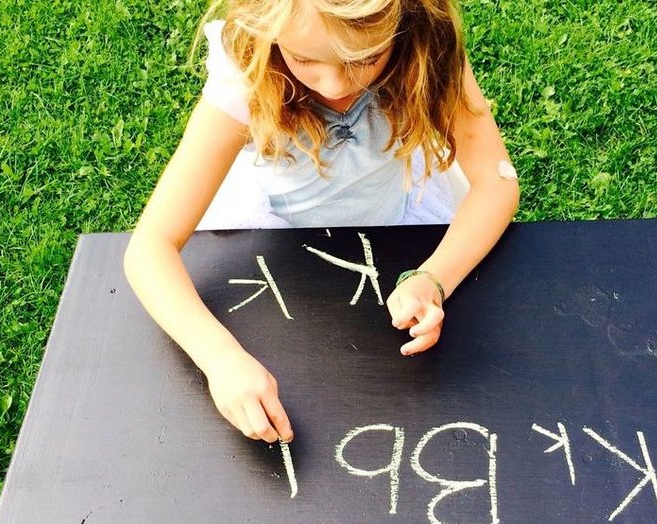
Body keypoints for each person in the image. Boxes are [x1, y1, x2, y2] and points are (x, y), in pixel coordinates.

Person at [124, 0, 520, 447]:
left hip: (397, 219)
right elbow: (150, 247)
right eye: (304, 59)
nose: (334, 85)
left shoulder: (425, 48)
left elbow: (496, 180)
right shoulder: (251, 70)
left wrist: (431, 278)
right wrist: (221, 360)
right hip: (282, 232)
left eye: (366, 58)